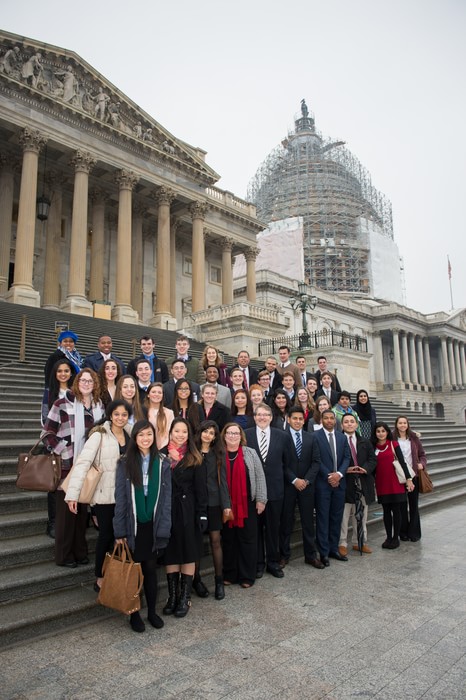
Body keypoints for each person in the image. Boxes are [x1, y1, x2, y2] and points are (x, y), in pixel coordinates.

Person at [65, 400, 132, 592]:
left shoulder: (131, 433)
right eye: (116, 414)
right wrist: (73, 494)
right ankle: (100, 576)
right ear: (110, 415)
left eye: (124, 414)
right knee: (106, 535)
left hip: (126, 495)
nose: (120, 418)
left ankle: (117, 573)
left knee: (123, 536)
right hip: (104, 496)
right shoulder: (99, 435)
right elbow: (83, 464)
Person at [113, 420, 172, 633]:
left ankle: (152, 612)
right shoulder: (125, 462)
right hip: (133, 524)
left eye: (149, 435)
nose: (145, 439)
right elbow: (120, 497)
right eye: (141, 435)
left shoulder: (163, 463)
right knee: (133, 571)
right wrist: (119, 530)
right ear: (135, 438)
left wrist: (165, 528)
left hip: (152, 524)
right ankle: (134, 613)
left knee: (150, 570)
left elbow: (166, 500)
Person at [42, 369, 104, 567]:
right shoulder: (61, 404)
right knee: (67, 514)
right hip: (67, 466)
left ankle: (80, 552)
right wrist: (64, 450)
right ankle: (65, 555)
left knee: (82, 512)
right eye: (83, 380)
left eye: (90, 381)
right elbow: (47, 433)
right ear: (77, 382)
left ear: (95, 384)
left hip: (88, 466)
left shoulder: (98, 406)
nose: (86, 384)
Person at [161, 418, 208, 618]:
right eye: (177, 431)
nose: (180, 435)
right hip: (167, 510)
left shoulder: (194, 456)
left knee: (189, 551)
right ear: (170, 432)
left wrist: (202, 513)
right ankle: (172, 596)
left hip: (188, 509)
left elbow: (201, 489)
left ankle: (185, 597)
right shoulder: (161, 454)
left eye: (184, 432)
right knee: (171, 552)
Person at [245, 403, 291, 579]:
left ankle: (273, 562)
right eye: (259, 414)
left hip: (275, 491)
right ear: (254, 417)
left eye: (266, 415)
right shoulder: (247, 434)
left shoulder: (282, 436)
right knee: (255, 530)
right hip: (254, 492)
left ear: (271, 417)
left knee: (273, 529)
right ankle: (258, 564)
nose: (262, 417)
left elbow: (287, 463)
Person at [221, 423, 267, 587]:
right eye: (229, 433)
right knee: (228, 540)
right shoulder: (219, 454)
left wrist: (261, 499)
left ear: (241, 436)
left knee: (248, 539)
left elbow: (260, 476)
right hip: (226, 505)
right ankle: (230, 574)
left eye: (236, 433)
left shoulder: (250, 453)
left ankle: (247, 576)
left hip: (248, 503)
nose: (232, 436)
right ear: (224, 436)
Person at [193, 421, 232, 600]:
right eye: (205, 431)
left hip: (215, 502)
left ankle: (218, 580)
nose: (208, 435)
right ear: (200, 432)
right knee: (197, 543)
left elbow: (222, 480)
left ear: (216, 436)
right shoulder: (192, 451)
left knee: (216, 541)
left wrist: (226, 505)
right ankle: (196, 580)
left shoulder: (218, 454)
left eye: (212, 433)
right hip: (196, 504)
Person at [280, 407, 323, 569]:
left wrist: (306, 480)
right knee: (286, 522)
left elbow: (316, 462)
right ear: (288, 419)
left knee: (307, 522)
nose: (297, 421)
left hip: (307, 487)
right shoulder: (282, 438)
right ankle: (284, 555)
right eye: (294, 418)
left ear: (304, 420)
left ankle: (310, 556)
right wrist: (294, 479)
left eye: (300, 418)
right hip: (289, 486)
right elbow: (281, 462)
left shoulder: (311, 438)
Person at [42, 358, 76, 538]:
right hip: (56, 445)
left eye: (66, 371)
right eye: (59, 371)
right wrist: (57, 445)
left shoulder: (75, 392)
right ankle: (53, 522)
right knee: (54, 485)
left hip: (73, 447)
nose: (63, 374)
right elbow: (45, 420)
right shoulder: (50, 393)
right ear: (55, 374)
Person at [313, 410, 351, 566]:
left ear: (335, 421)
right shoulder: (315, 436)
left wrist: (339, 474)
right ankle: (323, 552)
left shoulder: (342, 437)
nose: (329, 420)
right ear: (321, 420)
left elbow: (347, 457)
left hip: (340, 484)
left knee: (336, 517)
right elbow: (316, 459)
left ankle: (333, 549)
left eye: (331, 418)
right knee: (323, 518)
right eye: (326, 418)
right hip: (323, 484)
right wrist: (329, 476)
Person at [371, 421, 415, 549]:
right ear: (375, 433)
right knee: (386, 511)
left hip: (395, 483)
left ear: (387, 432)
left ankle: (396, 538)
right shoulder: (373, 447)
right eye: (378, 431)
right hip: (381, 483)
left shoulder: (393, 444)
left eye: (383, 431)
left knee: (396, 511)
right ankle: (388, 537)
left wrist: (408, 478)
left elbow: (402, 462)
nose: (381, 433)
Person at [338, 414, 377, 556]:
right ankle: (342, 542)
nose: (349, 424)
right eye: (346, 422)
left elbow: (373, 460)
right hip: (345, 482)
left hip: (362, 481)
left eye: (352, 422)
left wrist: (364, 469)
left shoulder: (365, 442)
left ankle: (359, 542)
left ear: (356, 425)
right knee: (343, 515)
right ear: (342, 425)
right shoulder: (338, 440)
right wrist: (344, 470)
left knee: (361, 514)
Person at [393, 416, 427, 542]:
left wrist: (422, 464)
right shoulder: (392, 438)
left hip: (414, 475)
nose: (402, 425)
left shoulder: (414, 438)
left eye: (404, 423)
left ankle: (414, 533)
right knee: (401, 505)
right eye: (400, 423)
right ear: (396, 425)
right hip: (399, 476)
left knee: (413, 505)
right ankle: (403, 532)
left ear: (407, 424)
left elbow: (422, 454)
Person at [145, 382, 174, 450]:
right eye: (153, 392)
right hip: (146, 448)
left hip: (164, 449)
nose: (156, 394)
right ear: (148, 395)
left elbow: (170, 433)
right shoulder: (143, 411)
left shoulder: (169, 413)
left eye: (159, 392)